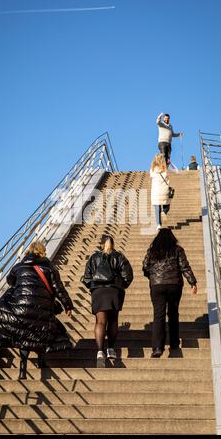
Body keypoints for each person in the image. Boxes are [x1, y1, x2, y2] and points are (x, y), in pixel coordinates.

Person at [0, 241, 74, 379]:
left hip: (21, 308)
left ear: (28, 251)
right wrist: (68, 306)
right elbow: (58, 288)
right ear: (42, 251)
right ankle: (42, 362)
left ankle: (23, 370)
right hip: (42, 306)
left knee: (24, 334)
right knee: (41, 331)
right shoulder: (49, 267)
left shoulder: (18, 267)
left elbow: (10, 281)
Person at [142, 228, 197, 358]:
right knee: (173, 314)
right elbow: (184, 266)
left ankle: (157, 348)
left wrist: (153, 277)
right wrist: (192, 282)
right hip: (174, 285)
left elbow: (145, 266)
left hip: (157, 286)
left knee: (158, 316)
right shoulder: (177, 250)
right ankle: (173, 343)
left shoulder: (152, 251)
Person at [82, 235, 133, 368]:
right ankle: (110, 348)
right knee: (113, 320)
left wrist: (93, 287)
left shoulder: (93, 257)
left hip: (98, 291)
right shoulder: (119, 256)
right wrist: (121, 286)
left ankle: (99, 352)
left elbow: (86, 277)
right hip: (114, 291)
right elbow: (128, 275)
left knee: (100, 322)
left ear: (100, 244)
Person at [150, 153, 172, 230]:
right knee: (167, 204)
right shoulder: (166, 170)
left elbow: (151, 175)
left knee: (157, 207)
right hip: (164, 191)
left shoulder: (152, 170)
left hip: (156, 191)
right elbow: (170, 176)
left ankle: (158, 224)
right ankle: (165, 212)